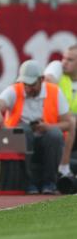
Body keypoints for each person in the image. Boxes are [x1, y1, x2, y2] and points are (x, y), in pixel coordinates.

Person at [0, 60, 75, 194]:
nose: (28, 88)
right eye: (26, 84)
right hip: (20, 141)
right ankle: (28, 182)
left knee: (55, 135)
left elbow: (68, 124)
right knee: (24, 131)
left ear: (41, 79)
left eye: (32, 84)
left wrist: (47, 127)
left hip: (45, 139)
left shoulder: (54, 92)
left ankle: (49, 182)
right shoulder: (15, 90)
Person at [44, 44, 77, 172]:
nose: (64, 62)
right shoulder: (57, 66)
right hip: (54, 119)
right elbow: (48, 81)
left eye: (70, 60)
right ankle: (64, 167)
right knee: (71, 122)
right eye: (64, 58)